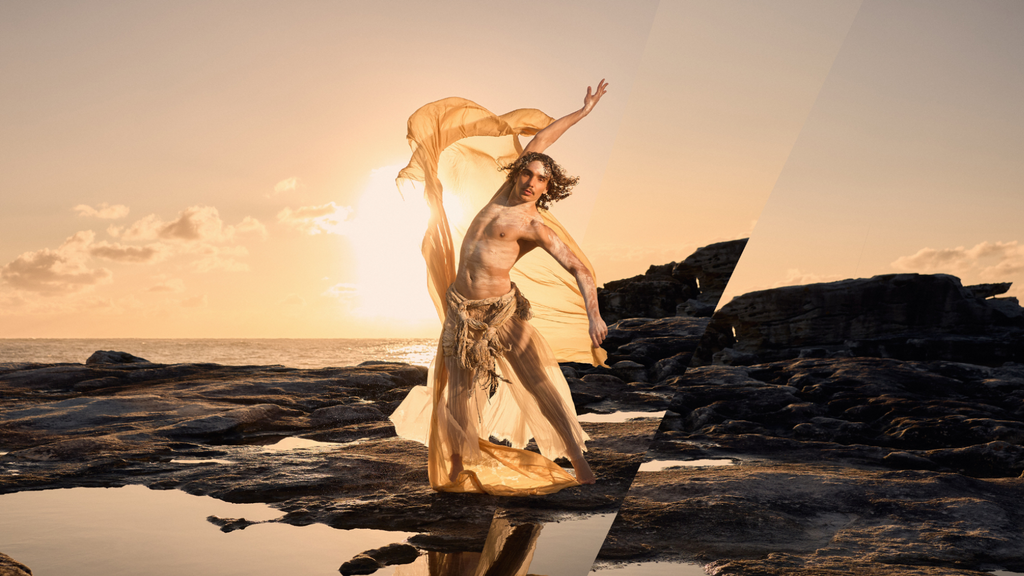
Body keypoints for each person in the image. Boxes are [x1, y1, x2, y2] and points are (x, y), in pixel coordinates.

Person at [390, 81, 609, 496]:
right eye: (527, 171)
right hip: (461, 311)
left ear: (548, 187)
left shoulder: (534, 226)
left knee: (540, 387)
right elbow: (543, 138)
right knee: (459, 390)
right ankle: (457, 464)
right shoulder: (500, 194)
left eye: (540, 178)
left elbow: (580, 268)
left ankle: (580, 465)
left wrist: (594, 315)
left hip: (501, 314)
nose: (531, 180)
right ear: (518, 172)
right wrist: (582, 111)